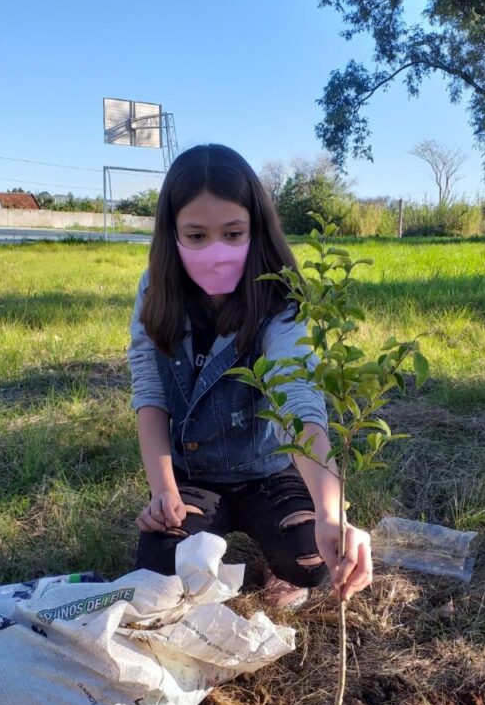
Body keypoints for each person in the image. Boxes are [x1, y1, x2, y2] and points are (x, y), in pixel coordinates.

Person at [127, 143, 372, 609]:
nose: (215, 251)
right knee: (159, 568)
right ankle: (203, 547)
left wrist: (330, 511)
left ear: (255, 230)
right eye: (196, 236)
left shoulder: (280, 296)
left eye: (233, 233)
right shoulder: (155, 290)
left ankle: (275, 562)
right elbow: (150, 390)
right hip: (194, 473)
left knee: (315, 558)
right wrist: (163, 492)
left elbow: (296, 394)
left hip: (269, 469)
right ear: (171, 234)